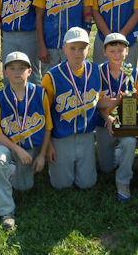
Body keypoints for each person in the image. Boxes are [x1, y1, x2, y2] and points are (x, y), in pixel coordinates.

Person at [0, 51, 52, 229]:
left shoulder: (40, 94)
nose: (17, 72)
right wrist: (17, 149)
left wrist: (42, 156)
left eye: (22, 68)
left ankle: (11, 171)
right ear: (5, 72)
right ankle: (5, 211)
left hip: (32, 147)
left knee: (24, 187)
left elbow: (47, 127)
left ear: (30, 71)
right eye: (12, 68)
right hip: (8, 145)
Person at [42, 27, 101, 189]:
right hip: (61, 137)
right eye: (72, 48)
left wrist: (117, 104)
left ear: (88, 49)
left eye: (82, 48)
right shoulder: (51, 77)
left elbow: (100, 102)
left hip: (87, 135)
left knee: (87, 184)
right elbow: (43, 113)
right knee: (61, 184)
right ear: (64, 49)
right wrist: (48, 145)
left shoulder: (96, 71)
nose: (77, 52)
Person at [96, 32, 138, 201]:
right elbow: (95, 103)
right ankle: (118, 154)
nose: (117, 54)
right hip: (104, 124)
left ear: (127, 51)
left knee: (130, 141)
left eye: (120, 50)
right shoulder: (97, 72)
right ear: (104, 52)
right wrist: (107, 117)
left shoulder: (133, 74)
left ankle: (123, 180)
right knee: (106, 167)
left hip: (126, 123)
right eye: (112, 50)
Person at [0, 0, 41, 84]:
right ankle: (9, 100)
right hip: (9, 35)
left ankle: (34, 100)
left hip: (29, 34)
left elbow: (39, 14)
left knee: (31, 69)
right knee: (8, 68)